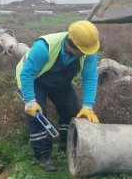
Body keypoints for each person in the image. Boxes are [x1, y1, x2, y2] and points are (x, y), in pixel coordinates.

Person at [15, 20, 100, 171]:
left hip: (60, 82)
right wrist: (30, 101)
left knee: (72, 109)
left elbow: (90, 77)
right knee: (37, 115)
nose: (86, 54)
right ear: (71, 45)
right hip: (34, 79)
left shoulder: (88, 51)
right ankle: (43, 154)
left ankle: (65, 145)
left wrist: (88, 106)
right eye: (83, 51)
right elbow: (26, 73)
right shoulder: (44, 47)